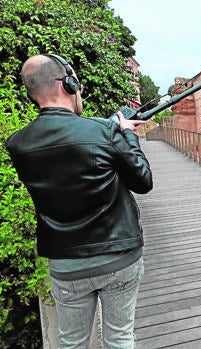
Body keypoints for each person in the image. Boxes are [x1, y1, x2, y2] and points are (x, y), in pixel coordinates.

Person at [5, 54, 153, 348]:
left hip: (65, 262)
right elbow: (142, 181)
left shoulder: (18, 144)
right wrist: (127, 136)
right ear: (68, 84)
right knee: (120, 337)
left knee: (71, 342)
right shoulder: (103, 131)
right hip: (118, 254)